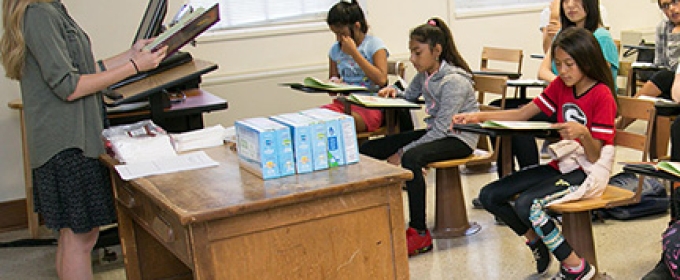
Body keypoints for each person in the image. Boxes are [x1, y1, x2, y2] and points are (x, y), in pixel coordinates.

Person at [0, 0, 167, 279]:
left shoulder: (51, 9)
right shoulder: (39, 14)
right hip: (67, 143)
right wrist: (135, 67)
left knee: (74, 235)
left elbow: (85, 69)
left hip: (70, 139)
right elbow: (69, 86)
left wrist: (131, 55)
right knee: (81, 238)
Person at [453, 27, 617, 279]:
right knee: (490, 195)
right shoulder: (562, 86)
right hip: (563, 165)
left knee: (528, 205)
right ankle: (536, 241)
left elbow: (596, 157)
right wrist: (478, 115)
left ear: (586, 60)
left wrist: (584, 134)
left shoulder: (602, 95)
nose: (561, 71)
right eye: (558, 64)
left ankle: (576, 268)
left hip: (588, 171)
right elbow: (522, 113)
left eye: (569, 64)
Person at [359, 17, 479, 257]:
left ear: (436, 51)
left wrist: (402, 153)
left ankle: (419, 232)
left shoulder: (453, 81)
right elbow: (409, 97)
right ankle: (370, 214)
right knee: (372, 149)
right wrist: (395, 92)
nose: (412, 59)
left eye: (417, 53)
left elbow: (443, 130)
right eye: (411, 52)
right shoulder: (425, 74)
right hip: (438, 132)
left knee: (412, 158)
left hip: (459, 139)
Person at [323, 0, 388, 133]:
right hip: (344, 103)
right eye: (335, 34)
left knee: (341, 125)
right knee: (317, 120)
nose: (338, 39)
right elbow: (332, 86)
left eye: (342, 34)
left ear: (357, 26)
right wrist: (332, 83)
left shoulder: (374, 45)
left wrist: (354, 53)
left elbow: (381, 80)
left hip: (370, 106)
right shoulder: (335, 50)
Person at [618, 0, 680, 129]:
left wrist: (675, 37)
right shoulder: (663, 27)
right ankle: (620, 123)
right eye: (665, 6)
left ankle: (620, 124)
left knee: (663, 77)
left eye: (675, 2)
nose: (672, 9)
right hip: (670, 81)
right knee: (663, 77)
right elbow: (662, 63)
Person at [539, 0, 610, 53]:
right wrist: (554, 16)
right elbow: (547, 57)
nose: (570, 5)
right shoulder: (561, 31)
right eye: (566, 0)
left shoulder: (601, 36)